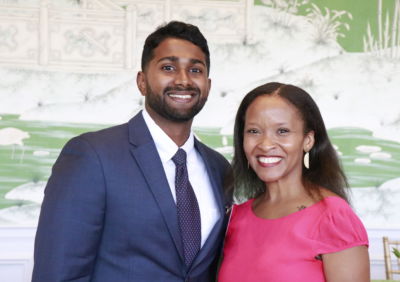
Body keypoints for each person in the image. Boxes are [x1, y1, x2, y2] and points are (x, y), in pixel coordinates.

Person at [32, 21, 231, 282]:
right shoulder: (92, 156)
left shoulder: (219, 168)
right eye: (168, 67)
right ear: (142, 82)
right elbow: (57, 273)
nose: (183, 80)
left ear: (207, 85)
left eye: (195, 70)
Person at [218, 82, 370, 282]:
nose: (265, 144)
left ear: (307, 140)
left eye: (282, 131)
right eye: (254, 131)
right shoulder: (235, 218)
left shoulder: (333, 217)